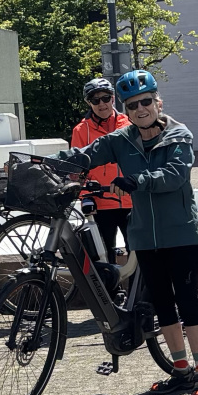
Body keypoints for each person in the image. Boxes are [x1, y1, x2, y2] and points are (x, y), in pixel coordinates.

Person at [58, 69, 198, 395]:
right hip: (144, 236)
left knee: (187, 302)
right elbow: (86, 154)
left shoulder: (178, 135)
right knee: (162, 304)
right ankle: (181, 369)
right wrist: (49, 163)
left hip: (181, 234)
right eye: (132, 105)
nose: (140, 109)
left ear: (158, 102)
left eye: (146, 102)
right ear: (126, 111)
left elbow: (174, 175)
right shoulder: (122, 139)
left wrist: (137, 180)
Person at [70, 77, 132, 262]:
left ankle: (139, 283)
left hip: (130, 199)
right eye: (95, 100)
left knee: (139, 254)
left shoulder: (129, 124)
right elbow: (77, 169)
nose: (101, 104)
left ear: (113, 98)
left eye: (105, 98)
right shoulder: (81, 130)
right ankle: (110, 283)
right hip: (101, 203)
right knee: (104, 257)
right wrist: (85, 197)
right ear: (89, 103)